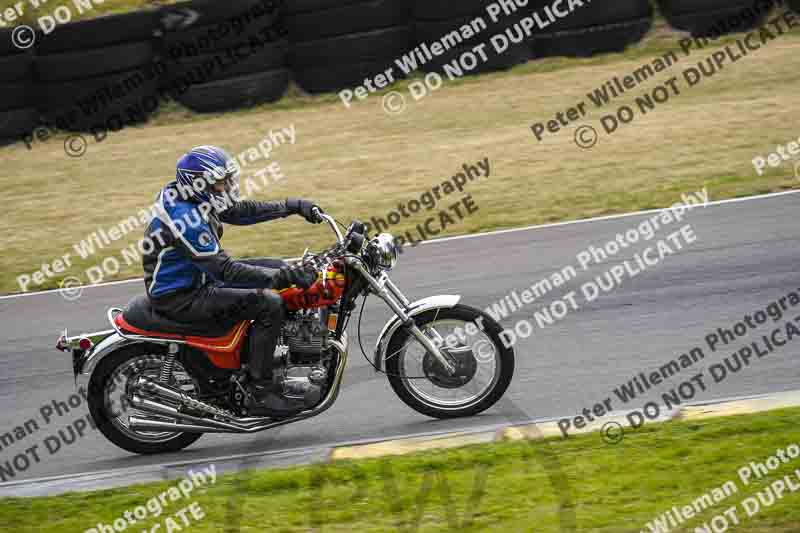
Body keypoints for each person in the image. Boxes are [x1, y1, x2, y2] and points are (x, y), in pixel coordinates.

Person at [141, 145, 323, 414]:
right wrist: (282, 278)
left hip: (200, 281)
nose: (226, 187)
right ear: (199, 183)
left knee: (280, 267)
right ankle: (260, 392)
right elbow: (225, 271)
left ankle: (268, 358)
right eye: (220, 182)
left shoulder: (192, 196)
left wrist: (290, 206)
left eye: (227, 180)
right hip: (182, 295)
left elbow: (239, 211)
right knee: (269, 303)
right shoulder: (184, 219)